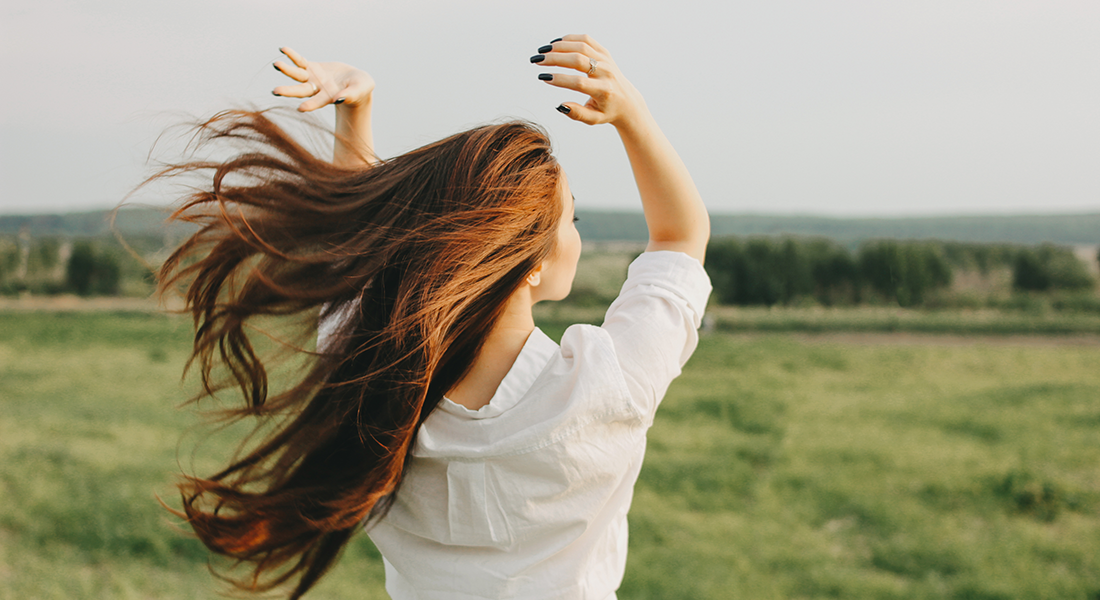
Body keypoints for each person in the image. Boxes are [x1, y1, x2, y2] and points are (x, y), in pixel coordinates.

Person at [157, 34, 710, 599]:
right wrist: (632, 114)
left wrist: (357, 111)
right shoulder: (605, 386)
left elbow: (358, 256)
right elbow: (681, 236)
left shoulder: (369, 377)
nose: (576, 235)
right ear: (531, 262)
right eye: (570, 219)